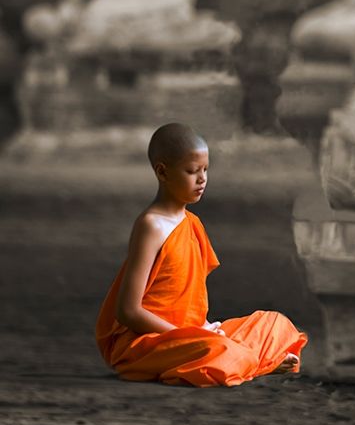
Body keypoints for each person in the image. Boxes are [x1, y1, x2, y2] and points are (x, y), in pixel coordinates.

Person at [95, 123, 307, 387]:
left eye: (205, 170)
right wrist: (189, 336)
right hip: (150, 341)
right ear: (162, 172)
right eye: (192, 171)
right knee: (220, 351)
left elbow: (190, 300)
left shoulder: (192, 223)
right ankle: (255, 363)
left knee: (276, 323)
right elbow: (128, 311)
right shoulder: (151, 225)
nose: (202, 179)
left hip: (196, 336)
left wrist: (207, 328)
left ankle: (246, 361)